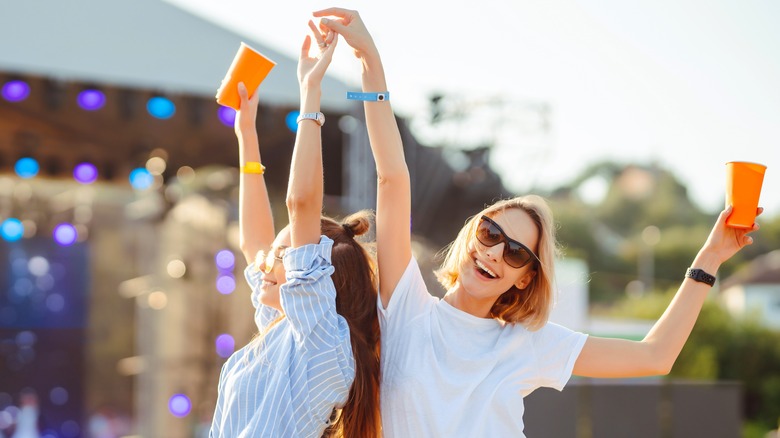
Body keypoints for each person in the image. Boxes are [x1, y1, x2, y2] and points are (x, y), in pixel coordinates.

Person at [317, 7, 763, 437]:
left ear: (526, 279)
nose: (494, 251)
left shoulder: (526, 344)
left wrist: (711, 256)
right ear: (473, 231)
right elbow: (393, 179)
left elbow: (656, 355)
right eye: (491, 232)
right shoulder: (408, 309)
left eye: (515, 252)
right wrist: (369, 61)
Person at [209, 22, 381, 438]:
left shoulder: (323, 344)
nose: (267, 259)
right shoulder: (284, 327)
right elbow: (255, 242)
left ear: (317, 277)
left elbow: (300, 204)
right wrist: (246, 134)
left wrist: (311, 95)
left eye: (285, 255)